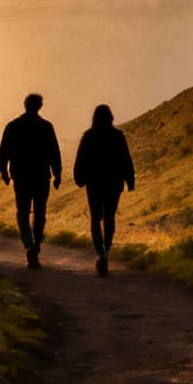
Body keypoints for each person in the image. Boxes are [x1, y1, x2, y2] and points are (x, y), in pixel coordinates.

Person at [0, 93, 62, 269]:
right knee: (40, 212)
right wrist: (58, 174)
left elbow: (3, 153)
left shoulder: (13, 126)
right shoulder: (46, 127)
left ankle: (29, 245)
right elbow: (54, 152)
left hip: (21, 175)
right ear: (40, 106)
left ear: (25, 105)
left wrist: (4, 172)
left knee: (23, 212)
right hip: (41, 175)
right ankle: (36, 246)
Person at [72, 104, 135, 277]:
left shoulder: (89, 136)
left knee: (95, 217)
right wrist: (130, 179)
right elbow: (125, 158)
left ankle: (100, 251)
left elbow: (81, 157)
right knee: (109, 216)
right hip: (113, 182)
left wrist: (79, 177)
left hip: (94, 182)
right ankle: (106, 248)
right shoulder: (117, 136)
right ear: (111, 118)